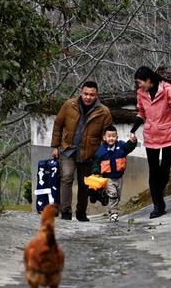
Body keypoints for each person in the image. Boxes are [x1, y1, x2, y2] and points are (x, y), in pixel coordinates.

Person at [129, 66, 171, 219]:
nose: (139, 85)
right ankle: (158, 206)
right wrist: (133, 129)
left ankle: (158, 196)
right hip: (151, 136)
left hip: (169, 135)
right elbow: (141, 113)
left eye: (140, 82)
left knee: (164, 169)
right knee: (153, 171)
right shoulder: (141, 93)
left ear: (149, 80)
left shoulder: (167, 90)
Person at [51, 81, 112, 221]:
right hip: (68, 149)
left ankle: (81, 212)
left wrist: (104, 155)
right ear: (80, 92)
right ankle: (66, 212)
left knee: (85, 183)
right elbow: (58, 124)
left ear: (96, 95)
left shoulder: (104, 112)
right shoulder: (69, 105)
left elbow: (107, 135)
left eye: (92, 95)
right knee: (66, 177)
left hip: (89, 152)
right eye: (85, 94)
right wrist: (55, 146)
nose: (88, 97)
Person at [91, 125, 137, 222]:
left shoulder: (121, 146)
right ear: (104, 137)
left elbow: (129, 147)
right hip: (108, 179)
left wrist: (133, 141)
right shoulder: (101, 151)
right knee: (113, 195)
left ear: (117, 137)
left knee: (117, 196)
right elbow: (96, 162)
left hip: (119, 178)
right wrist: (95, 171)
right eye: (109, 136)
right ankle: (114, 214)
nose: (111, 138)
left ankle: (111, 209)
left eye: (113, 136)